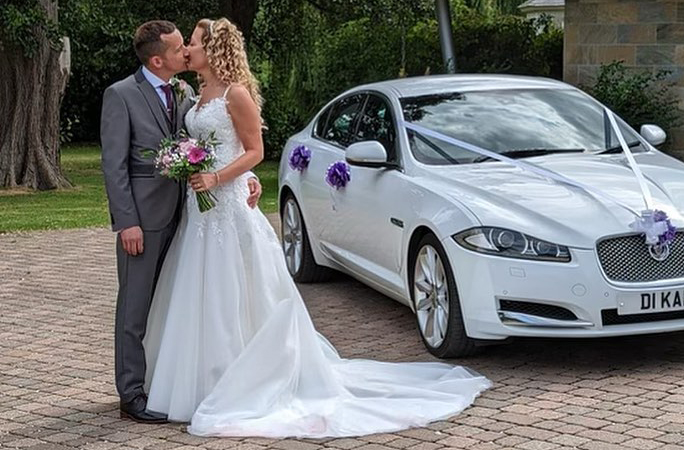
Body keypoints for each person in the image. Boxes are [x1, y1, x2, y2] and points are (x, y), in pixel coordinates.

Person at [142, 18, 491, 438]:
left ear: (212, 50)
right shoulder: (195, 97)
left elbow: (255, 151)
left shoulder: (236, 94)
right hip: (200, 214)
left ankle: (245, 379)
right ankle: (198, 381)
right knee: (201, 294)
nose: (187, 52)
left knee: (239, 292)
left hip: (228, 209)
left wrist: (221, 178)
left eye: (194, 45)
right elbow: (213, 148)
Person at [100, 20, 261, 424]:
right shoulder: (120, 95)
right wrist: (126, 222)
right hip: (145, 220)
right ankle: (131, 393)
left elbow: (225, 145)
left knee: (170, 303)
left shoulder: (189, 92)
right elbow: (114, 166)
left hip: (189, 213)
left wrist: (247, 177)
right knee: (135, 307)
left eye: (189, 45)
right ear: (158, 59)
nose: (186, 52)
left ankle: (166, 379)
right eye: (179, 49)